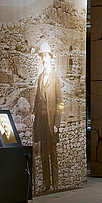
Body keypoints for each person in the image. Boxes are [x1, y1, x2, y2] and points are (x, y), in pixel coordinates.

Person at [33, 41, 62, 192]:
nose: (44, 59)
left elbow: (60, 103)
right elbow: (37, 99)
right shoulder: (40, 77)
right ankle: (47, 184)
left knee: (53, 154)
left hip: (51, 124)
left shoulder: (55, 77)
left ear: (50, 57)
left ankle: (55, 184)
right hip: (42, 122)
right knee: (44, 154)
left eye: (46, 56)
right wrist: (34, 114)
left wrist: (57, 123)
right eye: (42, 56)